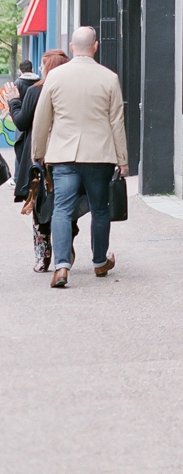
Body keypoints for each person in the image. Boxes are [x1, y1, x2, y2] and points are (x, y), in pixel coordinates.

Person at [31, 26, 128, 289]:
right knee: (99, 209)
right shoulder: (109, 78)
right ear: (95, 46)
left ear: (72, 48)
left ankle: (62, 266)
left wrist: (38, 154)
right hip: (100, 154)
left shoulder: (56, 76)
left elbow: (42, 118)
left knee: (62, 209)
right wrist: (123, 159)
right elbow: (117, 122)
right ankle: (99, 262)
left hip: (63, 154)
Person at [11, 49, 69, 271]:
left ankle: (43, 256)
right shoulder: (69, 90)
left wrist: (15, 102)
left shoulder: (36, 92)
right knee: (65, 204)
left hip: (41, 157)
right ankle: (66, 248)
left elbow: (22, 122)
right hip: (67, 155)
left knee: (40, 206)